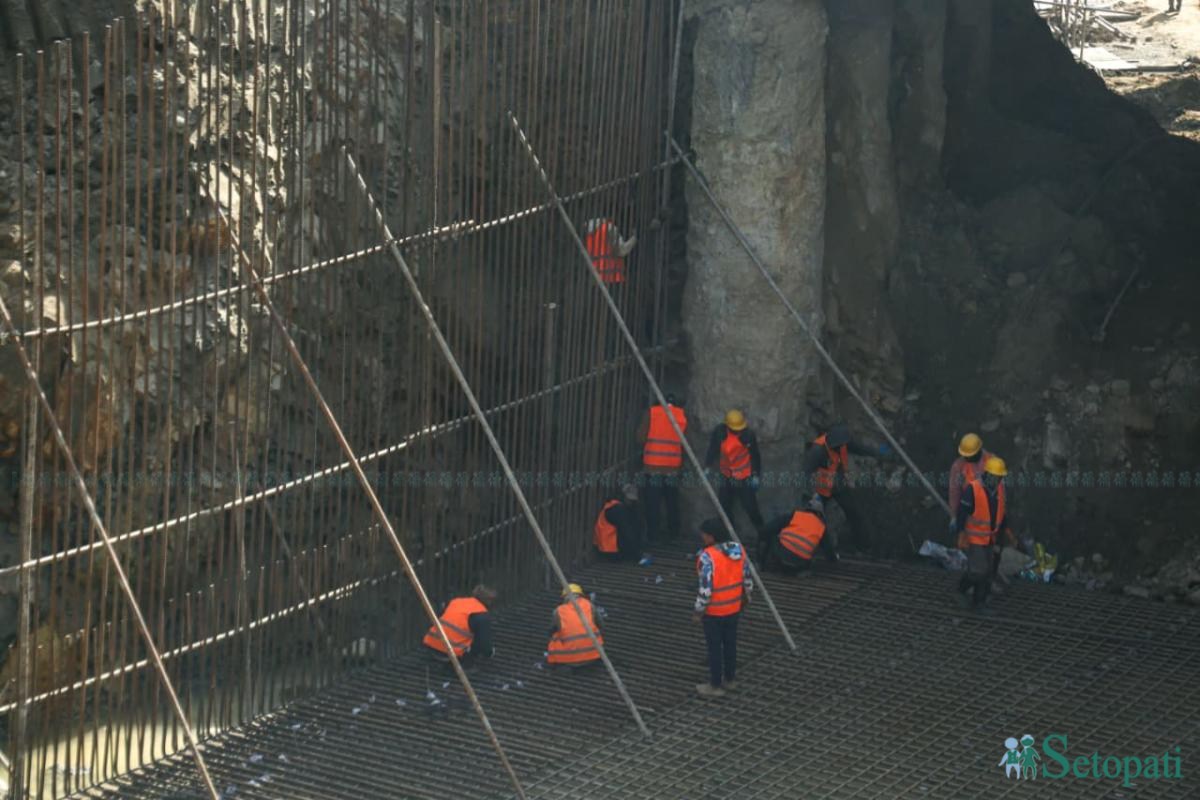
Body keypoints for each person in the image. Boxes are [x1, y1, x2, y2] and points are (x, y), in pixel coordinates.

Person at [801, 422, 887, 551]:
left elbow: (860, 449)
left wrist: (879, 452)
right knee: (813, 518)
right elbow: (806, 473)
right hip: (821, 491)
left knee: (854, 513)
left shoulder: (841, 442)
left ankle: (863, 545)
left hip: (839, 486)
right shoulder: (817, 450)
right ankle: (807, 545)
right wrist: (812, 495)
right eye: (839, 446)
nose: (843, 447)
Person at [692, 518, 752, 698]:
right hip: (733, 608)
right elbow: (747, 579)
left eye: (704, 534)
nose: (702, 537)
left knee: (715, 648)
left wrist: (698, 611)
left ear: (711, 536)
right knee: (730, 644)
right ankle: (730, 679)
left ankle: (715, 685)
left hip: (714, 612)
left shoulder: (707, 556)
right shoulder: (739, 550)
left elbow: (706, 589)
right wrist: (746, 599)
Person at [955, 457, 1008, 612]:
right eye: (996, 477)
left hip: (990, 537)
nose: (998, 480)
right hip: (975, 538)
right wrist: (961, 533)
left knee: (987, 571)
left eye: (1000, 477)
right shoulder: (973, 489)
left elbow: (1002, 514)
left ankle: (979, 602)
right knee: (979, 571)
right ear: (988, 475)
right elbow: (962, 513)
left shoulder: (999, 490)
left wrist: (1002, 537)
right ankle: (961, 590)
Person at [637, 394, 688, 543]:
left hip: (653, 467)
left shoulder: (652, 413)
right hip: (673, 467)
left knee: (653, 503)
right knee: (672, 502)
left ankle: (653, 536)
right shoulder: (681, 415)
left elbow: (640, 438)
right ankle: (674, 533)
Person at [704, 409, 764, 532]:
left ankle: (763, 532)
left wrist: (756, 474)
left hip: (743, 477)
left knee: (751, 507)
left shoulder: (748, 435)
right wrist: (708, 466)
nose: (738, 431)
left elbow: (755, 455)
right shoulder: (720, 433)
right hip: (726, 476)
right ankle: (730, 533)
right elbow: (713, 449)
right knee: (723, 507)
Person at [422, 585, 497, 667]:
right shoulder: (481, 615)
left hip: (430, 645)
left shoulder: (456, 601)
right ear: (490, 601)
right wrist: (490, 653)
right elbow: (484, 645)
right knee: (478, 643)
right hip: (451, 655)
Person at [759, 496, 837, 574]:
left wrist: (762, 539)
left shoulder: (795, 515)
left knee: (770, 535)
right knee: (813, 553)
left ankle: (761, 565)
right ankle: (800, 571)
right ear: (820, 514)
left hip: (780, 558)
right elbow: (829, 553)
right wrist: (834, 558)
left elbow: (767, 529)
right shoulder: (821, 527)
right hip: (800, 564)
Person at [545, 583, 605, 668]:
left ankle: (561, 660)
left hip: (569, 661)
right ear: (580, 595)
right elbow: (601, 625)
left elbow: (551, 630)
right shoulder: (590, 605)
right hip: (593, 656)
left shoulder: (559, 611)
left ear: (564, 597)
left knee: (554, 636)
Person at [948, 432, 994, 540]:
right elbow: (954, 491)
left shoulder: (991, 461)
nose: (968, 458)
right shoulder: (958, 467)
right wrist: (954, 515)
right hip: (968, 505)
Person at [593, 485, 648, 563]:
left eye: (633, 500)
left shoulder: (615, 505)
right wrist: (637, 555)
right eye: (629, 499)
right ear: (623, 496)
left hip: (608, 546)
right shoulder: (617, 510)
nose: (631, 502)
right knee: (629, 531)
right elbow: (626, 531)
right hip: (610, 549)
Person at [584, 217, 637, 285]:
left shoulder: (590, 232)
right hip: (613, 276)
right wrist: (634, 238)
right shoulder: (609, 228)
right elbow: (621, 250)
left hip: (596, 277)